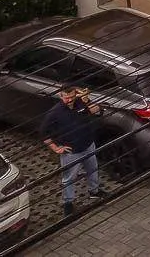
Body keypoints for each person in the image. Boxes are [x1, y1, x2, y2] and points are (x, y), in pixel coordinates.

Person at [41, 85, 107, 215]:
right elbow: (43, 133)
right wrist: (56, 148)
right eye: (67, 98)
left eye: (72, 97)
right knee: (68, 178)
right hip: (71, 152)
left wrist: (87, 101)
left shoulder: (81, 103)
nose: (70, 100)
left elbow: (98, 112)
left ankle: (94, 191)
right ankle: (68, 202)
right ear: (61, 96)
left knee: (93, 170)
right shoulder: (55, 113)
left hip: (88, 145)